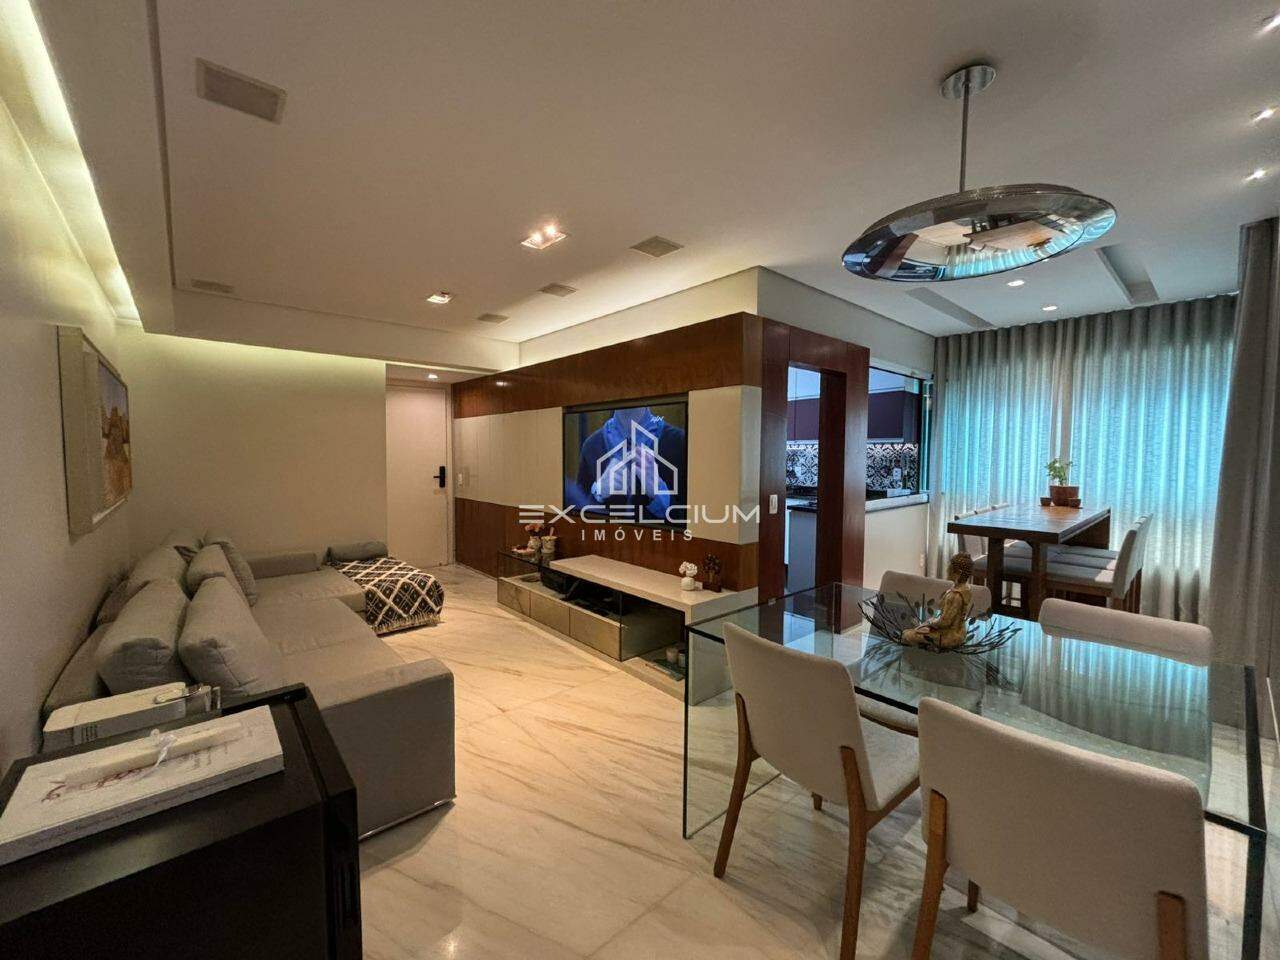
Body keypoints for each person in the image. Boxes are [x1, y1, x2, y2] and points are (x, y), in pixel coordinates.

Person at [565, 406, 686, 523]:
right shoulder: (591, 445)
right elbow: (578, 519)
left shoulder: (680, 442)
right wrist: (598, 493)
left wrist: (659, 494)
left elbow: (691, 521)